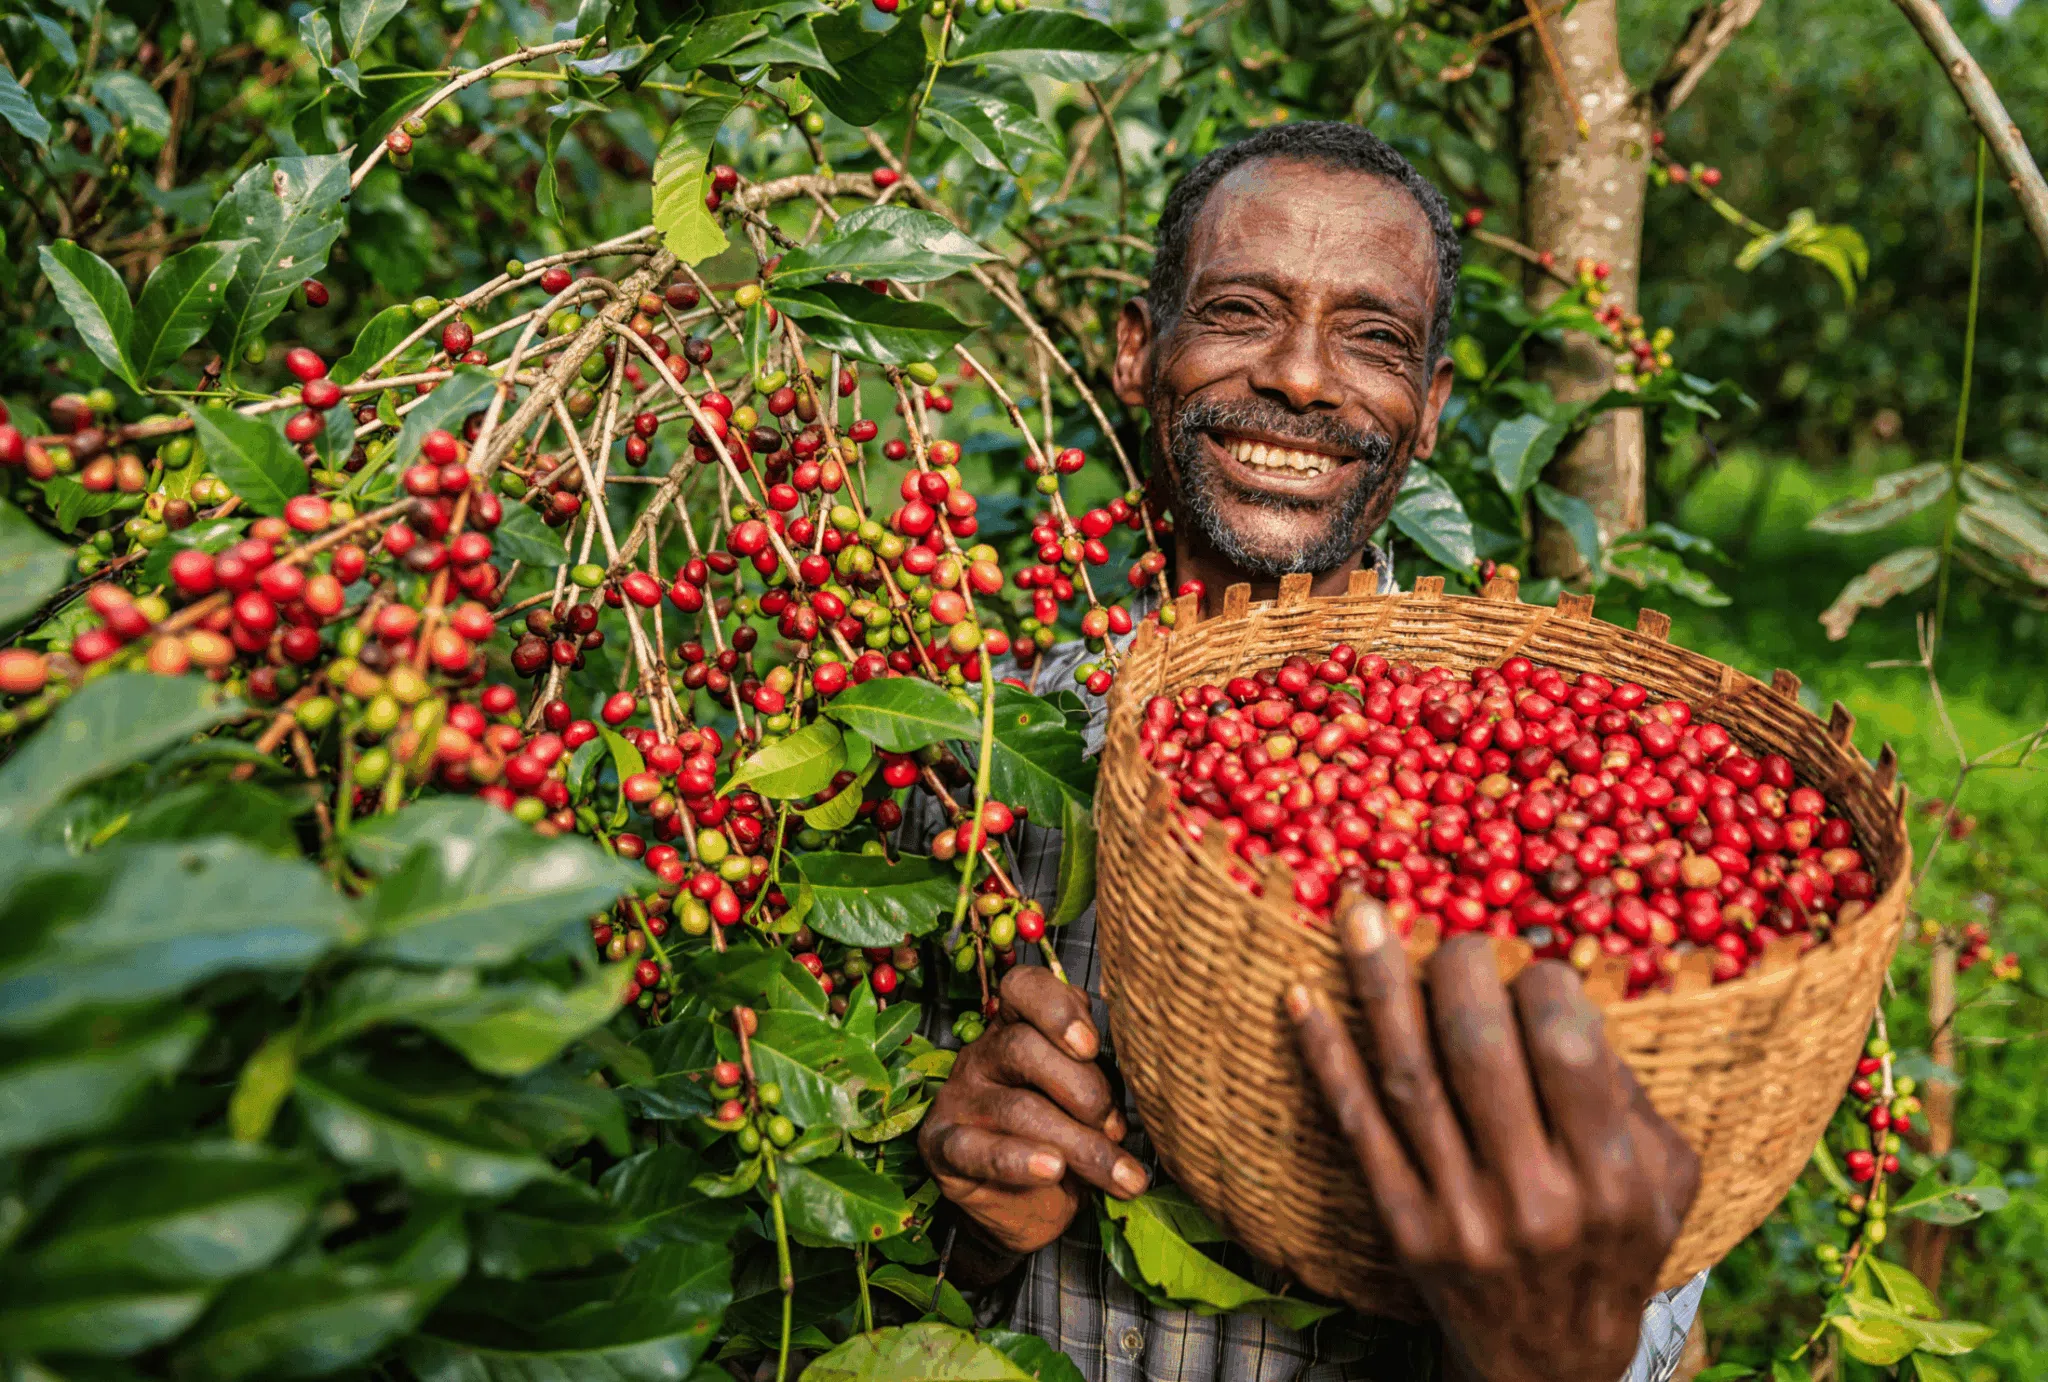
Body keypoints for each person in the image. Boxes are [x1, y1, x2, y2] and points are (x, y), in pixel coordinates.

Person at [918, 122, 1707, 1382]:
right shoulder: (974, 760)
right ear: (1138, 350)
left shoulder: (1553, 805)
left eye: (1373, 338)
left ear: (1432, 410)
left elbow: (1654, 1308)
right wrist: (962, 1227)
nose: (1298, 377)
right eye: (1239, 310)